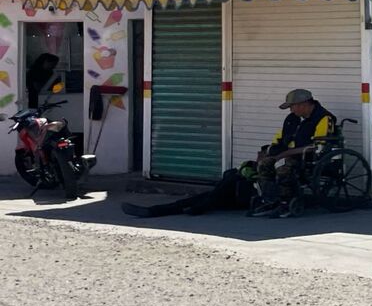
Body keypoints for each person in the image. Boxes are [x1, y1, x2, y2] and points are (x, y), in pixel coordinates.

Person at [250, 89, 336, 218]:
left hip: (310, 159)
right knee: (264, 164)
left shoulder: (324, 118)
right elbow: (281, 137)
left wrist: (285, 154)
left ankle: (286, 203)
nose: (291, 110)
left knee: (283, 171)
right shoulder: (292, 119)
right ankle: (270, 200)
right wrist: (268, 151)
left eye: (292, 107)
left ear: (303, 104)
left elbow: (317, 147)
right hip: (291, 155)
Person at [121, 162, 258, 218]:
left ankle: (198, 208)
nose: (259, 155)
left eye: (261, 153)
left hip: (235, 199)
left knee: (213, 196)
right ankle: (151, 211)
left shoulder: (261, 169)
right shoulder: (252, 166)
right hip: (225, 196)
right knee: (187, 202)